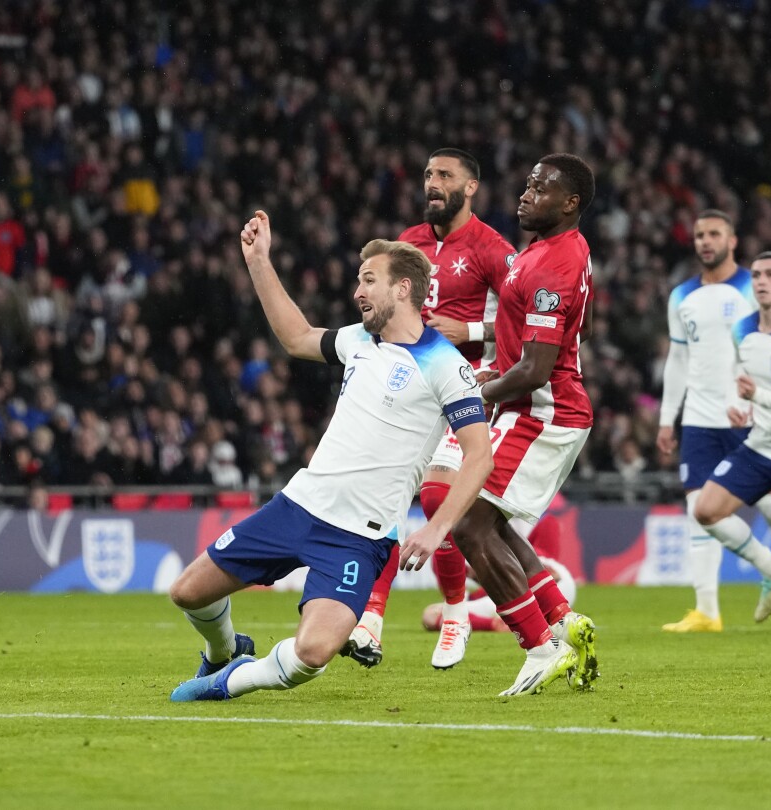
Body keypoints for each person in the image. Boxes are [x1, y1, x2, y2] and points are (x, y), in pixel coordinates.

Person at [167, 213, 494, 703]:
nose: (357, 292)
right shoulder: (358, 340)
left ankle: (226, 683)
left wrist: (435, 528)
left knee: (313, 653)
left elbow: (479, 457)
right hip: (300, 505)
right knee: (187, 592)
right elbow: (297, 337)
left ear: (403, 288)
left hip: (359, 537)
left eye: (369, 280)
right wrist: (259, 262)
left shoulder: (447, 364)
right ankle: (225, 650)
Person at [342, 148, 516, 670]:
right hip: (406, 386)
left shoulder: (494, 249)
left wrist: (472, 330)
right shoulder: (407, 245)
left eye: (444, 175)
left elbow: (529, 320)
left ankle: (456, 615)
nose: (432, 183)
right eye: (427, 175)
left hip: (467, 383)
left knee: (439, 494)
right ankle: (370, 621)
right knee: (385, 498)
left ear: (470, 187)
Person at [454, 153, 598, 695]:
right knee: (488, 524)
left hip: (544, 412)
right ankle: (562, 621)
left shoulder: (553, 264)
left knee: (468, 524)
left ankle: (541, 646)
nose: (525, 194)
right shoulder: (545, 250)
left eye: (540, 188)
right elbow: (553, 335)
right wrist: (496, 366)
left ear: (570, 203)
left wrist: (472, 396)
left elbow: (536, 369)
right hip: (530, 408)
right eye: (528, 185)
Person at [658, 211, 771, 633]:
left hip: (748, 414)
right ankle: (709, 610)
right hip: (699, 418)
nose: (705, 241)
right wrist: (667, 419)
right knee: (699, 509)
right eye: (699, 235)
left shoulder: (755, 286)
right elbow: (678, 360)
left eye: (714, 234)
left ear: (732, 241)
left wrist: (758, 400)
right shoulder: (681, 296)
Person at [688, 251, 771, 620]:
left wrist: (758, 397)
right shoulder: (742, 330)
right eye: (757, 275)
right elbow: (741, 374)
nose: (762, 281)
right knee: (706, 510)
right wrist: (739, 404)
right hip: (760, 446)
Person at [420, 495, 575, 633]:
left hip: (542, 585)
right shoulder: (479, 594)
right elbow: (549, 525)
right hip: (551, 583)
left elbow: (432, 615)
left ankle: (499, 623)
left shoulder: (477, 595)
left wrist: (489, 624)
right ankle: (549, 610)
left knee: (432, 614)